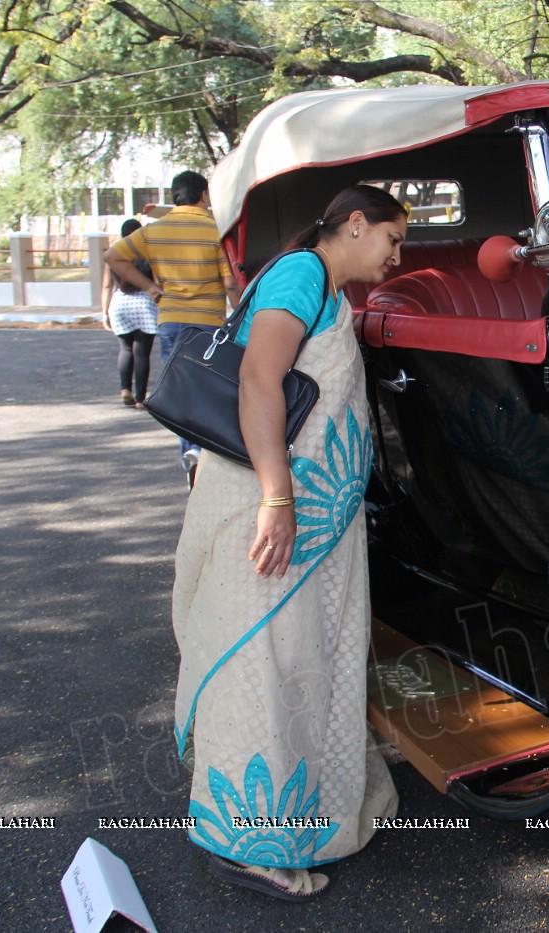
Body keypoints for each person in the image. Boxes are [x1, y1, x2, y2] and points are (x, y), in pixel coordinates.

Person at [171, 184, 408, 902]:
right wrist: (277, 496)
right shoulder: (302, 273)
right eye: (392, 239)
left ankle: (286, 816)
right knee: (259, 662)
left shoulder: (320, 282)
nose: (397, 255)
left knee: (286, 659)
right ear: (356, 224)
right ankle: (249, 841)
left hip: (301, 516)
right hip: (267, 506)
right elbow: (256, 378)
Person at [105, 170, 241, 484]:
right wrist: (239, 312)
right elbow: (229, 282)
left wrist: (151, 288)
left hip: (169, 322)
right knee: (209, 390)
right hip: (209, 324)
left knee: (181, 392)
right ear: (204, 195)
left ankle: (189, 452)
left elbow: (113, 256)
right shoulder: (215, 230)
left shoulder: (155, 230)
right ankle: (207, 457)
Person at [100, 219, 158, 408]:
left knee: (125, 349)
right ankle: (140, 398)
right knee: (142, 352)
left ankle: (125, 388)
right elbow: (158, 283)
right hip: (144, 303)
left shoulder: (114, 255)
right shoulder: (147, 254)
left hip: (120, 302)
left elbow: (107, 285)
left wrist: (104, 311)